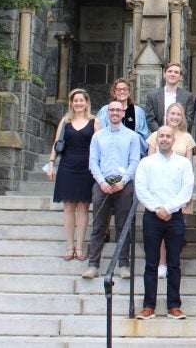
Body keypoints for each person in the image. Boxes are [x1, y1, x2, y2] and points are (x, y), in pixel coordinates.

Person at [134, 125, 194, 321]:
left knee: (174, 264)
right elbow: (141, 188)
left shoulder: (183, 164)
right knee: (151, 263)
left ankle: (174, 306)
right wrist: (157, 208)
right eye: (162, 136)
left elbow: (187, 189)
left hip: (174, 217)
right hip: (152, 216)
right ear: (157, 139)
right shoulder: (146, 162)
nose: (165, 139)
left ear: (174, 140)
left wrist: (168, 209)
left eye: (168, 136)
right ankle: (148, 306)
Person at [82, 101, 142, 280]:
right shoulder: (98, 136)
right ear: (107, 113)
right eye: (112, 110)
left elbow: (134, 162)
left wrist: (123, 182)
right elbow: (93, 161)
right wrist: (101, 182)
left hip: (124, 186)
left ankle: (123, 264)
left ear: (124, 113)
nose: (115, 113)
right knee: (99, 225)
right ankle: (93, 265)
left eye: (118, 110)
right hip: (102, 184)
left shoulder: (132, 136)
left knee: (123, 226)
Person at [48, 88, 99, 261]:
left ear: (86, 102)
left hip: (87, 168)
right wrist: (51, 163)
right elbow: (57, 143)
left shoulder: (95, 122)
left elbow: (100, 146)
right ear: (71, 103)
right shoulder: (65, 121)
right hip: (67, 166)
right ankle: (70, 246)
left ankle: (79, 247)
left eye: (81, 100)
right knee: (69, 207)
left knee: (84, 208)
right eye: (75, 100)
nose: (78, 103)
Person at [146, 103, 196, 278]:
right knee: (161, 224)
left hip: (180, 191)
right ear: (166, 115)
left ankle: (173, 262)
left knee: (175, 228)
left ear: (183, 118)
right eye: (172, 113)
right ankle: (161, 262)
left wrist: (187, 193)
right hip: (159, 190)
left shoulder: (188, 138)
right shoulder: (155, 136)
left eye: (179, 114)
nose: (175, 117)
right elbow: (149, 162)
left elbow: (189, 165)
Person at [96, 78, 151, 152]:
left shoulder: (138, 111)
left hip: (132, 152)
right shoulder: (105, 110)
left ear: (129, 92)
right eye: (118, 89)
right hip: (110, 152)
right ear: (114, 92)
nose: (122, 92)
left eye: (125, 89)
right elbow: (100, 133)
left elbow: (144, 135)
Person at [143, 62, 196, 133]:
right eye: (170, 71)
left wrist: (176, 134)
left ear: (180, 77)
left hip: (180, 137)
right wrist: (162, 133)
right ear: (164, 74)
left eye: (176, 72)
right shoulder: (152, 95)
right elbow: (150, 119)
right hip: (158, 137)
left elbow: (188, 119)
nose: (173, 74)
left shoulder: (188, 96)